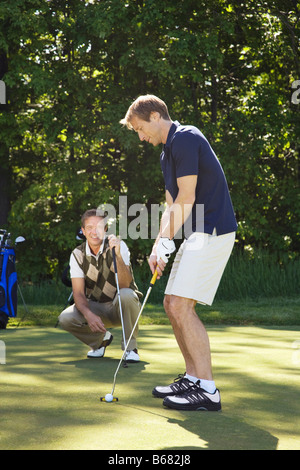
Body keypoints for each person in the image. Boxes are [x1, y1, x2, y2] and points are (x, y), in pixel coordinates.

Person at [120, 95, 238, 410]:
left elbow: (188, 197)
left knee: (183, 307)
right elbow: (172, 205)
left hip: (213, 230)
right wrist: (160, 242)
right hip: (196, 233)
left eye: (141, 129)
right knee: (171, 304)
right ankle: (193, 378)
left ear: (156, 116)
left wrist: (167, 241)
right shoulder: (167, 155)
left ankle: (208, 390)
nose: (141, 137)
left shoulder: (186, 138)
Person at [58, 209, 142, 362]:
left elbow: (125, 284)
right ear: (83, 231)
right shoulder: (77, 254)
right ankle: (100, 340)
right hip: (96, 308)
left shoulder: (119, 245)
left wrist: (116, 255)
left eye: (98, 227)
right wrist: (89, 315)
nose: (94, 231)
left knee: (127, 294)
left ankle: (131, 348)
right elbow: (78, 293)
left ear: (105, 229)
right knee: (65, 318)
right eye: (89, 227)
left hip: (120, 307)